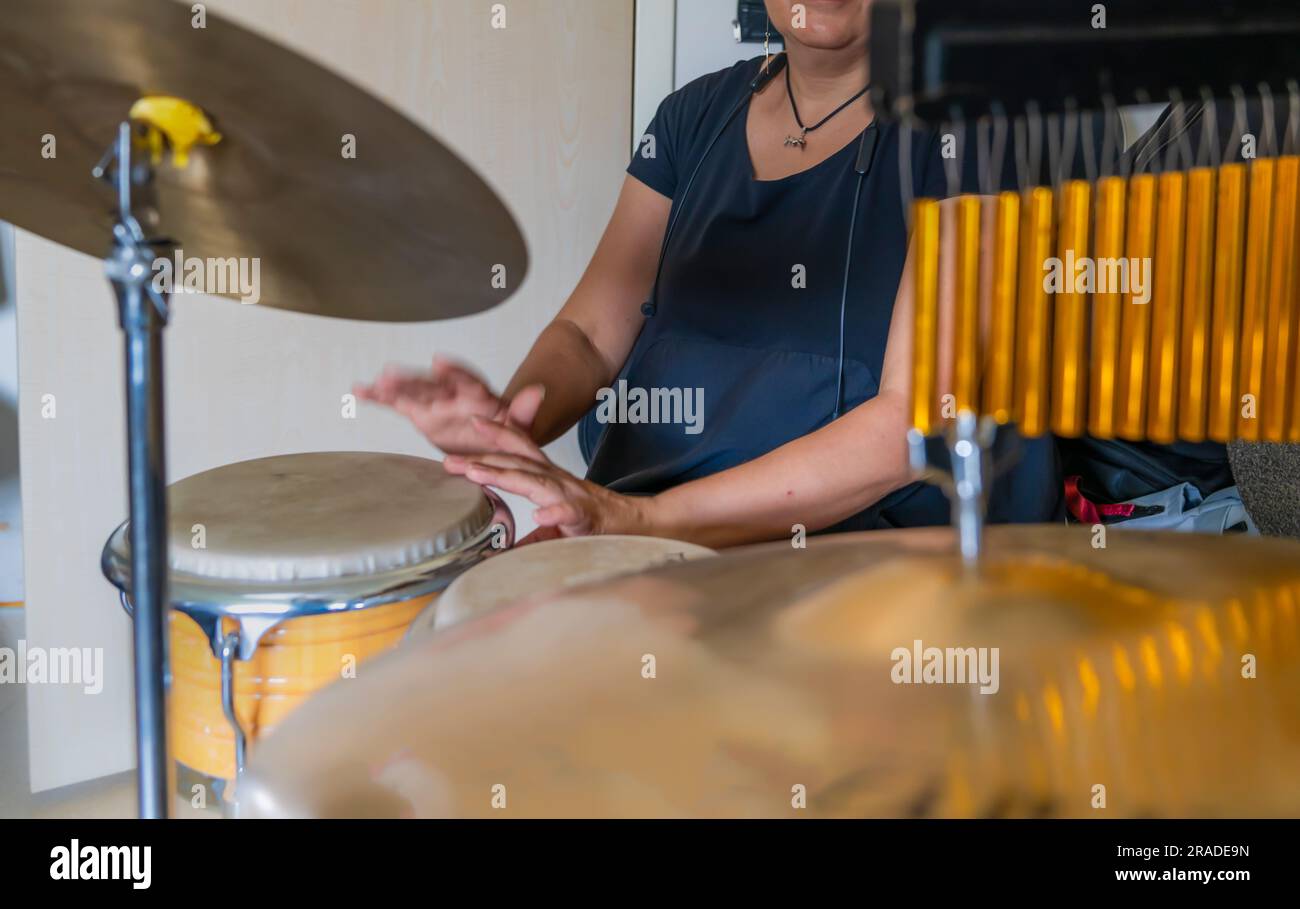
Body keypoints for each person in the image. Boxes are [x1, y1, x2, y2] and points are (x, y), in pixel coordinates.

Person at [354, 0, 1061, 547]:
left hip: (855, 568)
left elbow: (914, 424)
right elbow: (588, 333)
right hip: (637, 533)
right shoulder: (690, 118)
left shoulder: (969, 131)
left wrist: (642, 519)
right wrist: (503, 421)